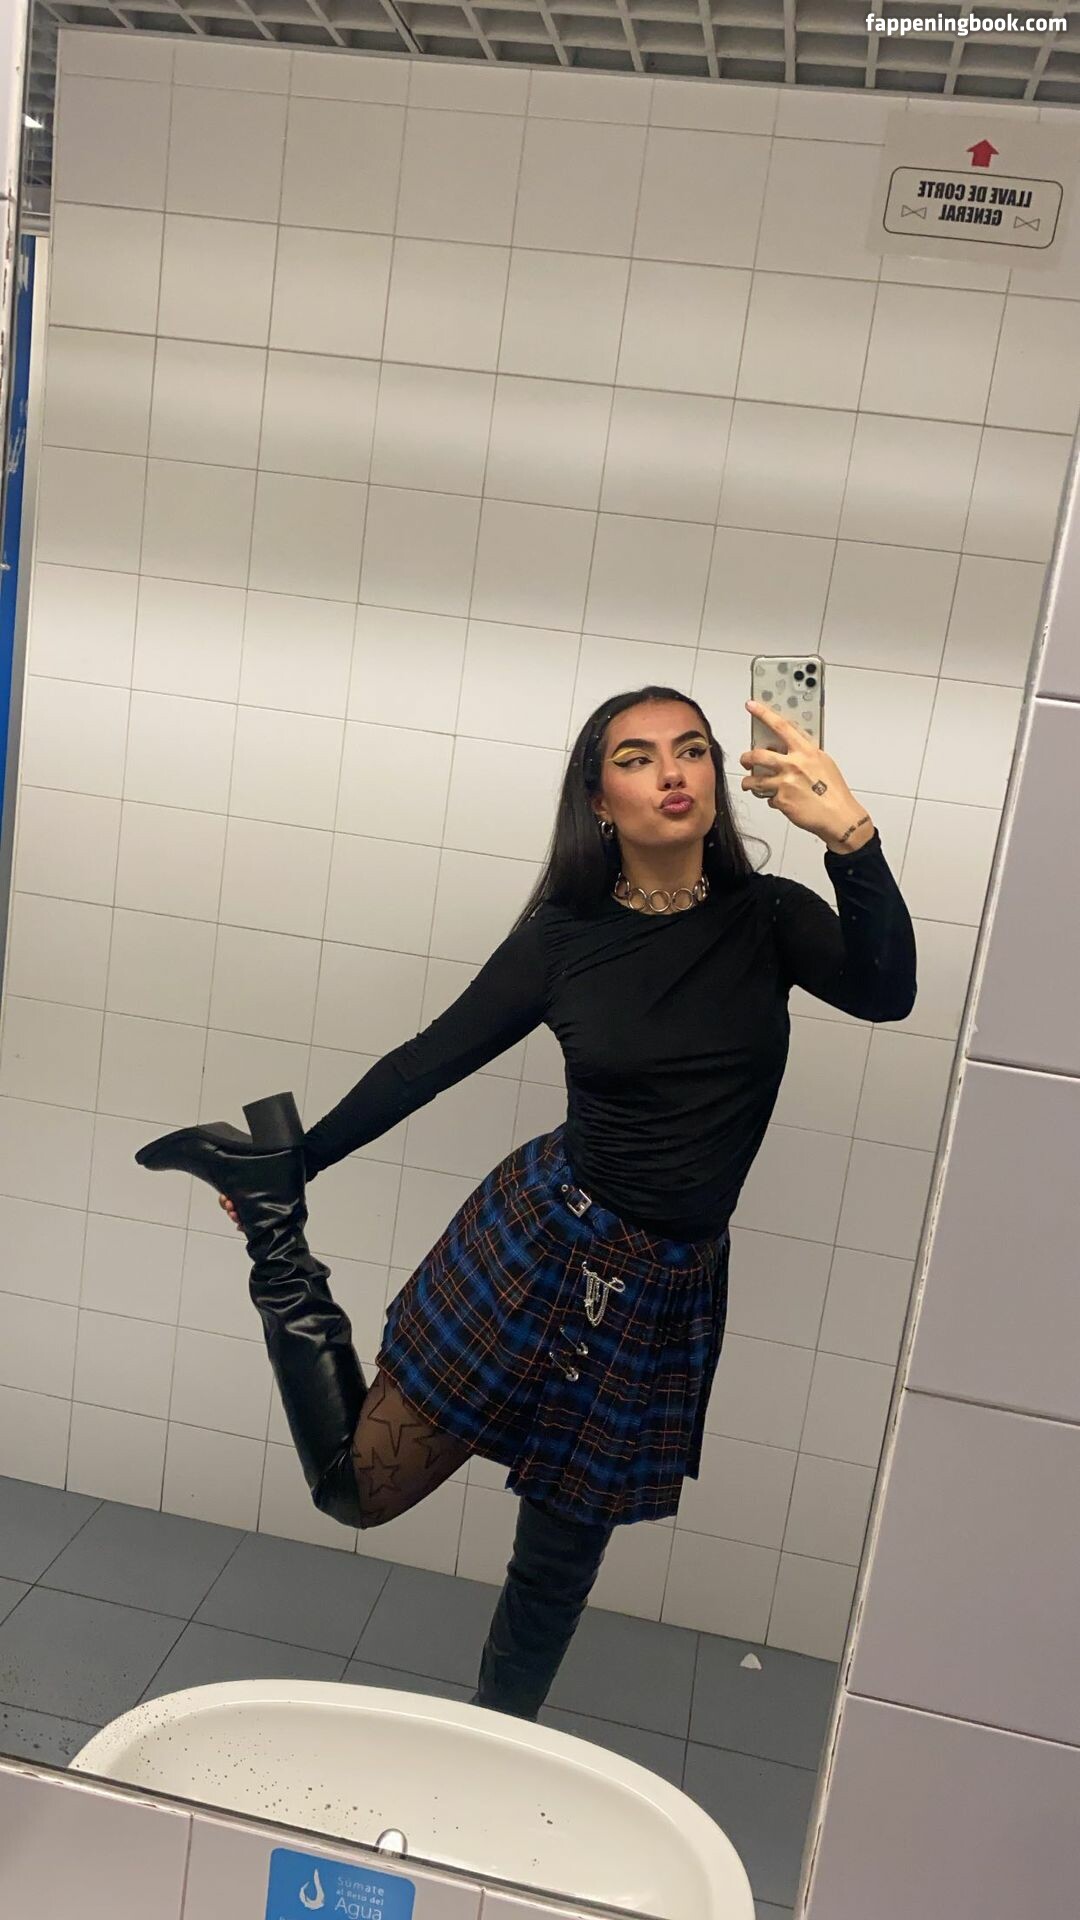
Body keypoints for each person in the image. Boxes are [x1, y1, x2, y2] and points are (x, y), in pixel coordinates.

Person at [137, 684, 916, 1722]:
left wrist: (849, 836)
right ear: (598, 800)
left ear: (717, 779)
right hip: (545, 1243)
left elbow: (887, 991)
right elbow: (427, 1061)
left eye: (691, 750)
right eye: (637, 758)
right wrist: (297, 1167)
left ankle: (497, 1742)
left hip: (663, 1292)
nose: (672, 772)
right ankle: (271, 1227)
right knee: (358, 1491)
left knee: (558, 1564)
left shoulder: (770, 918)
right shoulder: (564, 938)